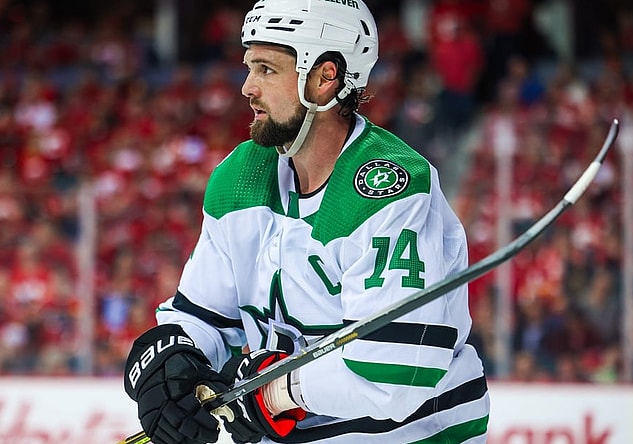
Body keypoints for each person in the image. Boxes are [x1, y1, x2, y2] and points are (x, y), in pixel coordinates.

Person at [123, 0, 490, 443]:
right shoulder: (241, 177)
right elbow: (205, 317)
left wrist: (276, 393)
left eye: (267, 69)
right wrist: (168, 361)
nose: (247, 88)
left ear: (324, 78)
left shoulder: (388, 185)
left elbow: (396, 371)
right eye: (248, 67)